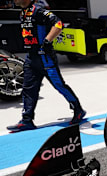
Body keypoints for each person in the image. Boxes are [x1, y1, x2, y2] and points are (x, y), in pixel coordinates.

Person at [7, 0, 86, 132]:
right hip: (31, 57)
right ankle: (27, 120)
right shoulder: (23, 12)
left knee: (59, 85)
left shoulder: (38, 10)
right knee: (28, 89)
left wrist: (47, 41)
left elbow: (58, 23)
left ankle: (78, 109)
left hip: (45, 58)